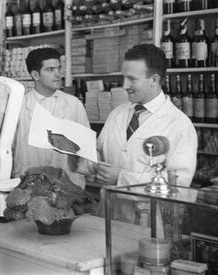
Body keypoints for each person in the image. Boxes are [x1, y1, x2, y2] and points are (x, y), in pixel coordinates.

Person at [74, 44, 197, 225]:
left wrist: (121, 178)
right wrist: (88, 162)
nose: (125, 85)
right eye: (124, 77)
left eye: (132, 79)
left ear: (154, 80)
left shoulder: (179, 125)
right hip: (108, 215)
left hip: (147, 222)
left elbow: (178, 186)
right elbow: (101, 151)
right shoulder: (118, 113)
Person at [12, 47, 90, 189]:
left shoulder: (74, 104)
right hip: (28, 184)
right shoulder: (18, 105)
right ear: (35, 75)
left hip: (67, 186)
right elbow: (9, 148)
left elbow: (86, 148)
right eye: (50, 70)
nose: (58, 74)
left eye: (59, 68)